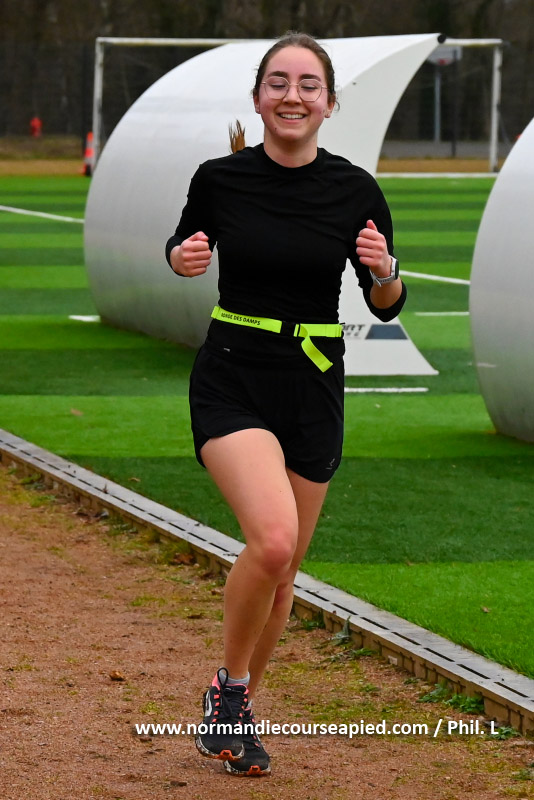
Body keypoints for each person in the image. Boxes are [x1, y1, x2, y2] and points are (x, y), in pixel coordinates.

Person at [165, 31, 406, 778]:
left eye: (307, 85)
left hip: (313, 383)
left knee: (285, 571)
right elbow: (182, 246)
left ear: (329, 103)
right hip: (234, 374)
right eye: (278, 82)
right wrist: (182, 258)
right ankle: (230, 696)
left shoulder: (356, 190)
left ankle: (232, 710)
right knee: (271, 542)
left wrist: (385, 272)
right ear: (258, 98)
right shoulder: (220, 178)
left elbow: (388, 302)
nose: (292, 95)